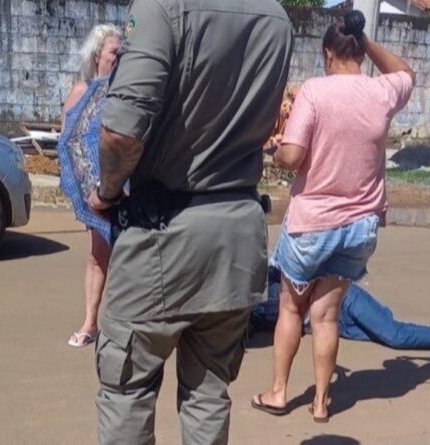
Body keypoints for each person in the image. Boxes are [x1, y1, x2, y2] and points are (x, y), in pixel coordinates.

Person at [87, 1, 293, 444]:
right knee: (208, 392)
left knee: (127, 388)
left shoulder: (162, 7)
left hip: (163, 230)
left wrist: (107, 192)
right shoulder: (277, 18)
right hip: (237, 234)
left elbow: (121, 132)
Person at [251, 10, 417, 423]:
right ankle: (321, 402)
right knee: (326, 316)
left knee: (292, 308)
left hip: (313, 224)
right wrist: (365, 40)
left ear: (327, 53)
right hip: (360, 228)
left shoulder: (314, 92)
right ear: (360, 52)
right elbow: (406, 73)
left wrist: (274, 152)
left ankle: (278, 393)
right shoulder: (382, 92)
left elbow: (293, 156)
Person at [250, 266, 430, 360]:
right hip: (331, 326)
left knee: (396, 335)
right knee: (388, 337)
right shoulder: (249, 310)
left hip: (341, 299)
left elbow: (300, 268)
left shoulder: (267, 270)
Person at [56, 24, 121, 348]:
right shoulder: (82, 91)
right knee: (98, 255)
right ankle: (90, 323)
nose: (118, 58)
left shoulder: (128, 92)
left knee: (130, 259)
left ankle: (124, 325)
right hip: (95, 187)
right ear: (97, 56)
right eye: (114, 52)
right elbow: (69, 139)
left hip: (127, 185)